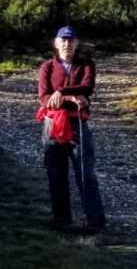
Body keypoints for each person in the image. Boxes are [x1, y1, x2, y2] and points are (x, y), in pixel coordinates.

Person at [37, 26, 107, 233]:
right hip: (52, 125)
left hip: (77, 125)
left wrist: (60, 91)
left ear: (76, 44)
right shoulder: (47, 68)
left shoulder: (86, 65)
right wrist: (70, 98)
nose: (67, 44)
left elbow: (88, 88)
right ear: (56, 43)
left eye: (71, 40)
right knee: (56, 174)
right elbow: (44, 99)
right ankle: (61, 221)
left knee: (86, 174)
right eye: (63, 40)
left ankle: (95, 222)